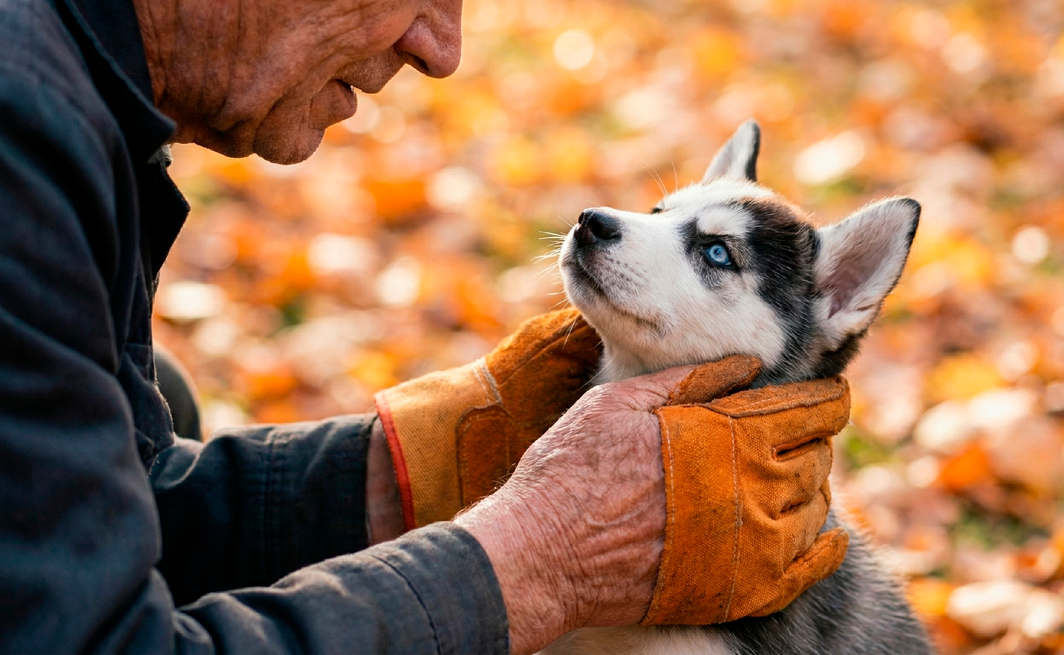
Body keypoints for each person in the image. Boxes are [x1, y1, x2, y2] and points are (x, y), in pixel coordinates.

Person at [0, 0, 849, 652]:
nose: (440, 48)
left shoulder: (65, 81)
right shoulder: (21, 140)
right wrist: (530, 558)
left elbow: (86, 529)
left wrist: (416, 465)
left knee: (163, 403)